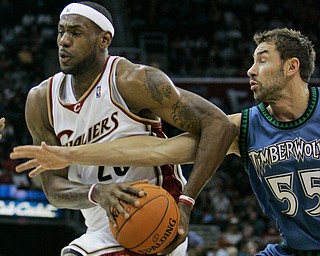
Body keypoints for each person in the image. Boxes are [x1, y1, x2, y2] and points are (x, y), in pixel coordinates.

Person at [12, 27, 320, 255]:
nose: (250, 70)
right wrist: (70, 155)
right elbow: (156, 150)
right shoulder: (246, 126)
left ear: (292, 67)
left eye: (262, 61)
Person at [11, 1, 236, 256]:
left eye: (75, 33)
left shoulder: (133, 81)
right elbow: (54, 189)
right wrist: (98, 193)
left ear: (104, 39)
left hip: (152, 210)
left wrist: (186, 202)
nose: (63, 41)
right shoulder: (41, 101)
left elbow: (220, 125)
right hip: (102, 227)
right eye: (61, 31)